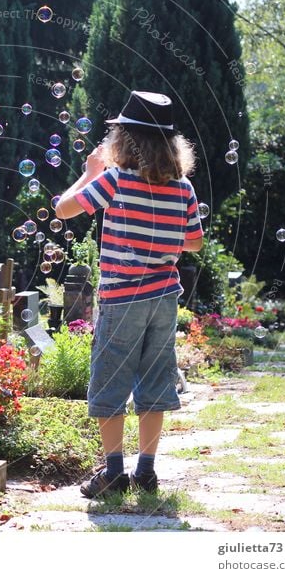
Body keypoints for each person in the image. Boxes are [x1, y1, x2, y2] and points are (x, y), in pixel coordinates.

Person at [54, 91, 203, 496]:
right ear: (172, 146)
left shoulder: (114, 180)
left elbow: (64, 209)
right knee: (155, 382)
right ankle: (147, 472)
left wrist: (89, 172)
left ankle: (114, 473)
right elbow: (194, 243)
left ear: (123, 142)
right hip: (164, 299)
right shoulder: (184, 189)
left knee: (111, 381)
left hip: (122, 300)